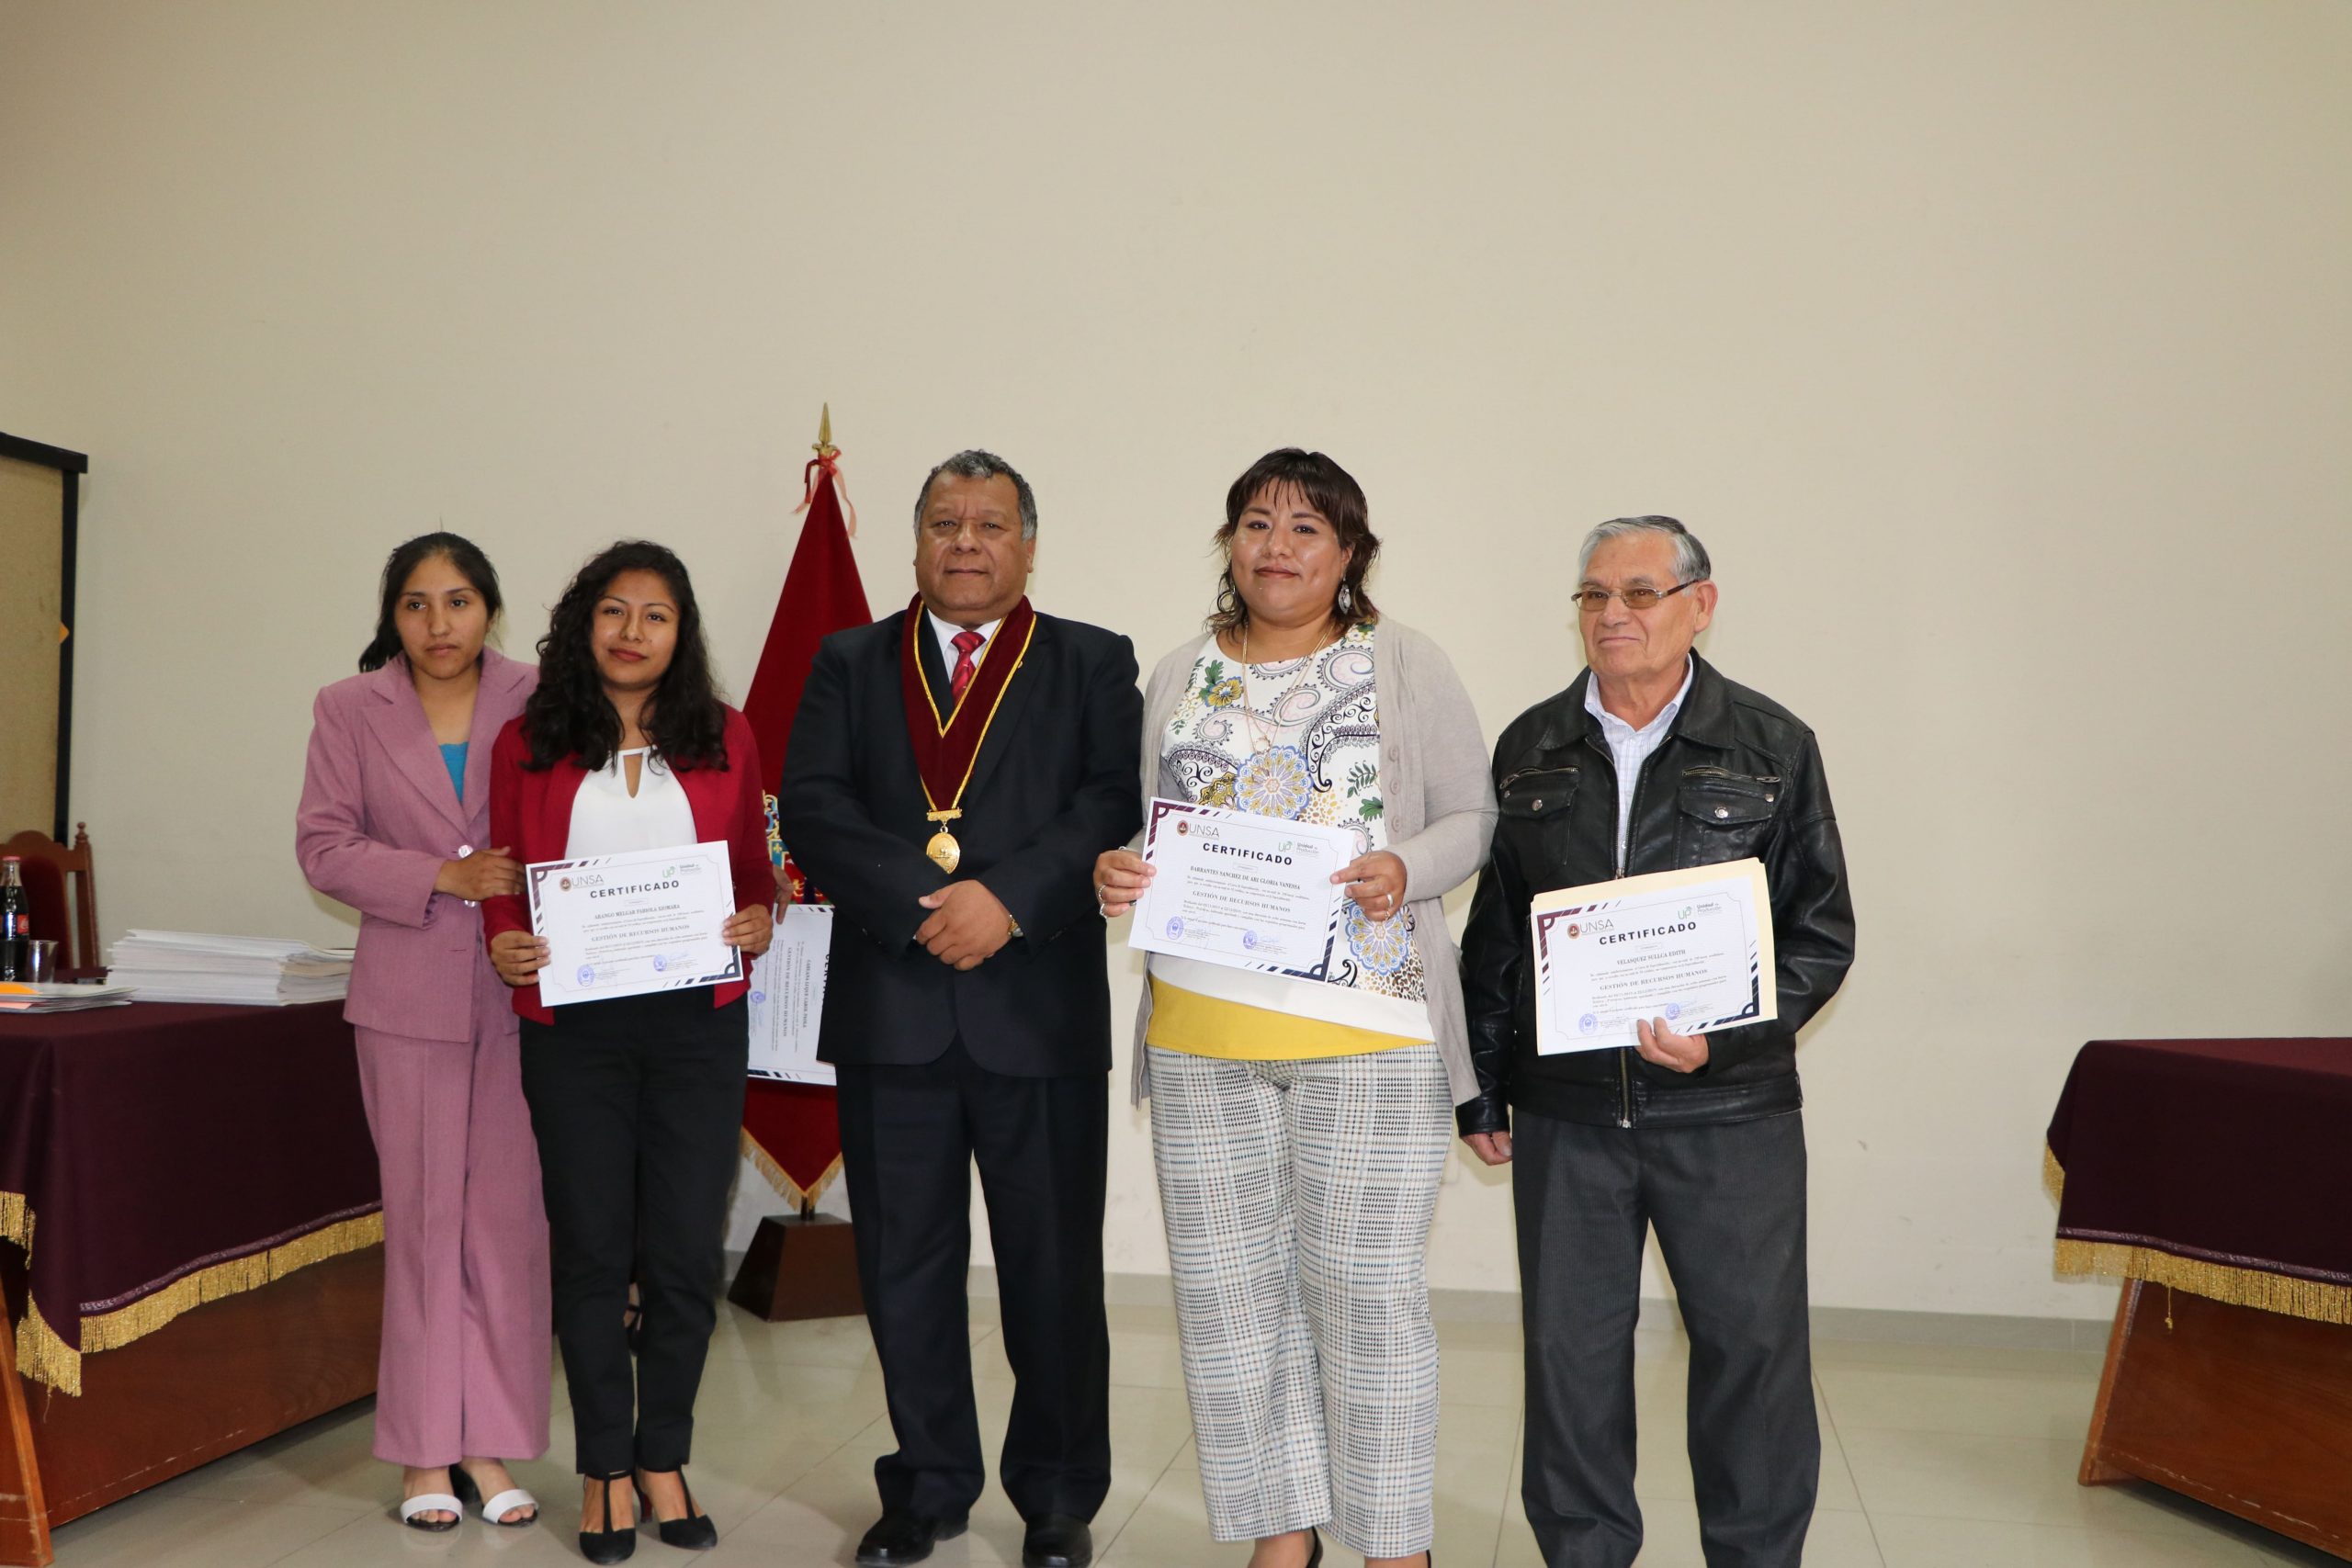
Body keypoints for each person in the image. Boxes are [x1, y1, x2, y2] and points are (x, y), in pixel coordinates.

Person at [1094, 448, 1497, 1568]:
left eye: (1306, 528)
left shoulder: (1402, 662)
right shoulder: (1178, 672)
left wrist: (1406, 866)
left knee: (1366, 1300)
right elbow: (1152, 824)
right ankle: (1281, 1535)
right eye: (1257, 523)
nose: (1277, 546)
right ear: (1228, 543)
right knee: (1228, 1305)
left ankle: (1393, 1544)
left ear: (1350, 552)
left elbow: (1472, 817)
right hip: (1199, 1035)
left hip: (1370, 1032)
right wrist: (1118, 868)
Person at [1455, 515, 1855, 1568]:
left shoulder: (1772, 745)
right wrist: (1482, 1087)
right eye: (1592, 595)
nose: (1611, 615)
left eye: (1637, 593)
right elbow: (1496, 934)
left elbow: (1819, 933)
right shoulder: (1531, 745)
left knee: (1752, 1358)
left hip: (1729, 1115)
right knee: (1570, 1361)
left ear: (1698, 606)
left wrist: (1722, 1043)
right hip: (1569, 1116)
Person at [777, 450, 1142, 1568]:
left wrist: (1007, 902)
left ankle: (1057, 1497)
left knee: (1052, 1270)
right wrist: (924, 904)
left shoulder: (1089, 659)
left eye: (989, 524)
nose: (966, 542)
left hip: (1037, 1010)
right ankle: (926, 1487)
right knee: (904, 1268)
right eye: (945, 523)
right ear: (917, 541)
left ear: (1027, 544)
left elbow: (1110, 800)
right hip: (893, 1007)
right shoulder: (848, 660)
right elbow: (813, 807)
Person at [481, 540, 775, 1564]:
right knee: (594, 1250)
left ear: (681, 633)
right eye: (613, 611)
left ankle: (664, 1457)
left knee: (686, 1251)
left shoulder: (726, 734)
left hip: (697, 1025)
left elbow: (753, 871)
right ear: (584, 623)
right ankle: (603, 1463)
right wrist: (504, 940)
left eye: (655, 615)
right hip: (576, 1031)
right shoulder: (528, 739)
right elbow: (506, 874)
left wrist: (758, 917)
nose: (632, 632)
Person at [295, 532, 548, 1532]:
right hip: (404, 997)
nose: (438, 623)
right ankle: (422, 1451)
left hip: (525, 989)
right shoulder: (347, 707)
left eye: (458, 601)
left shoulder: (540, 694)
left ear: (490, 609)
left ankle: (489, 1442)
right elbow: (323, 846)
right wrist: (443, 874)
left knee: (507, 1225)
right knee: (425, 1222)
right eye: (415, 603)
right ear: (391, 615)